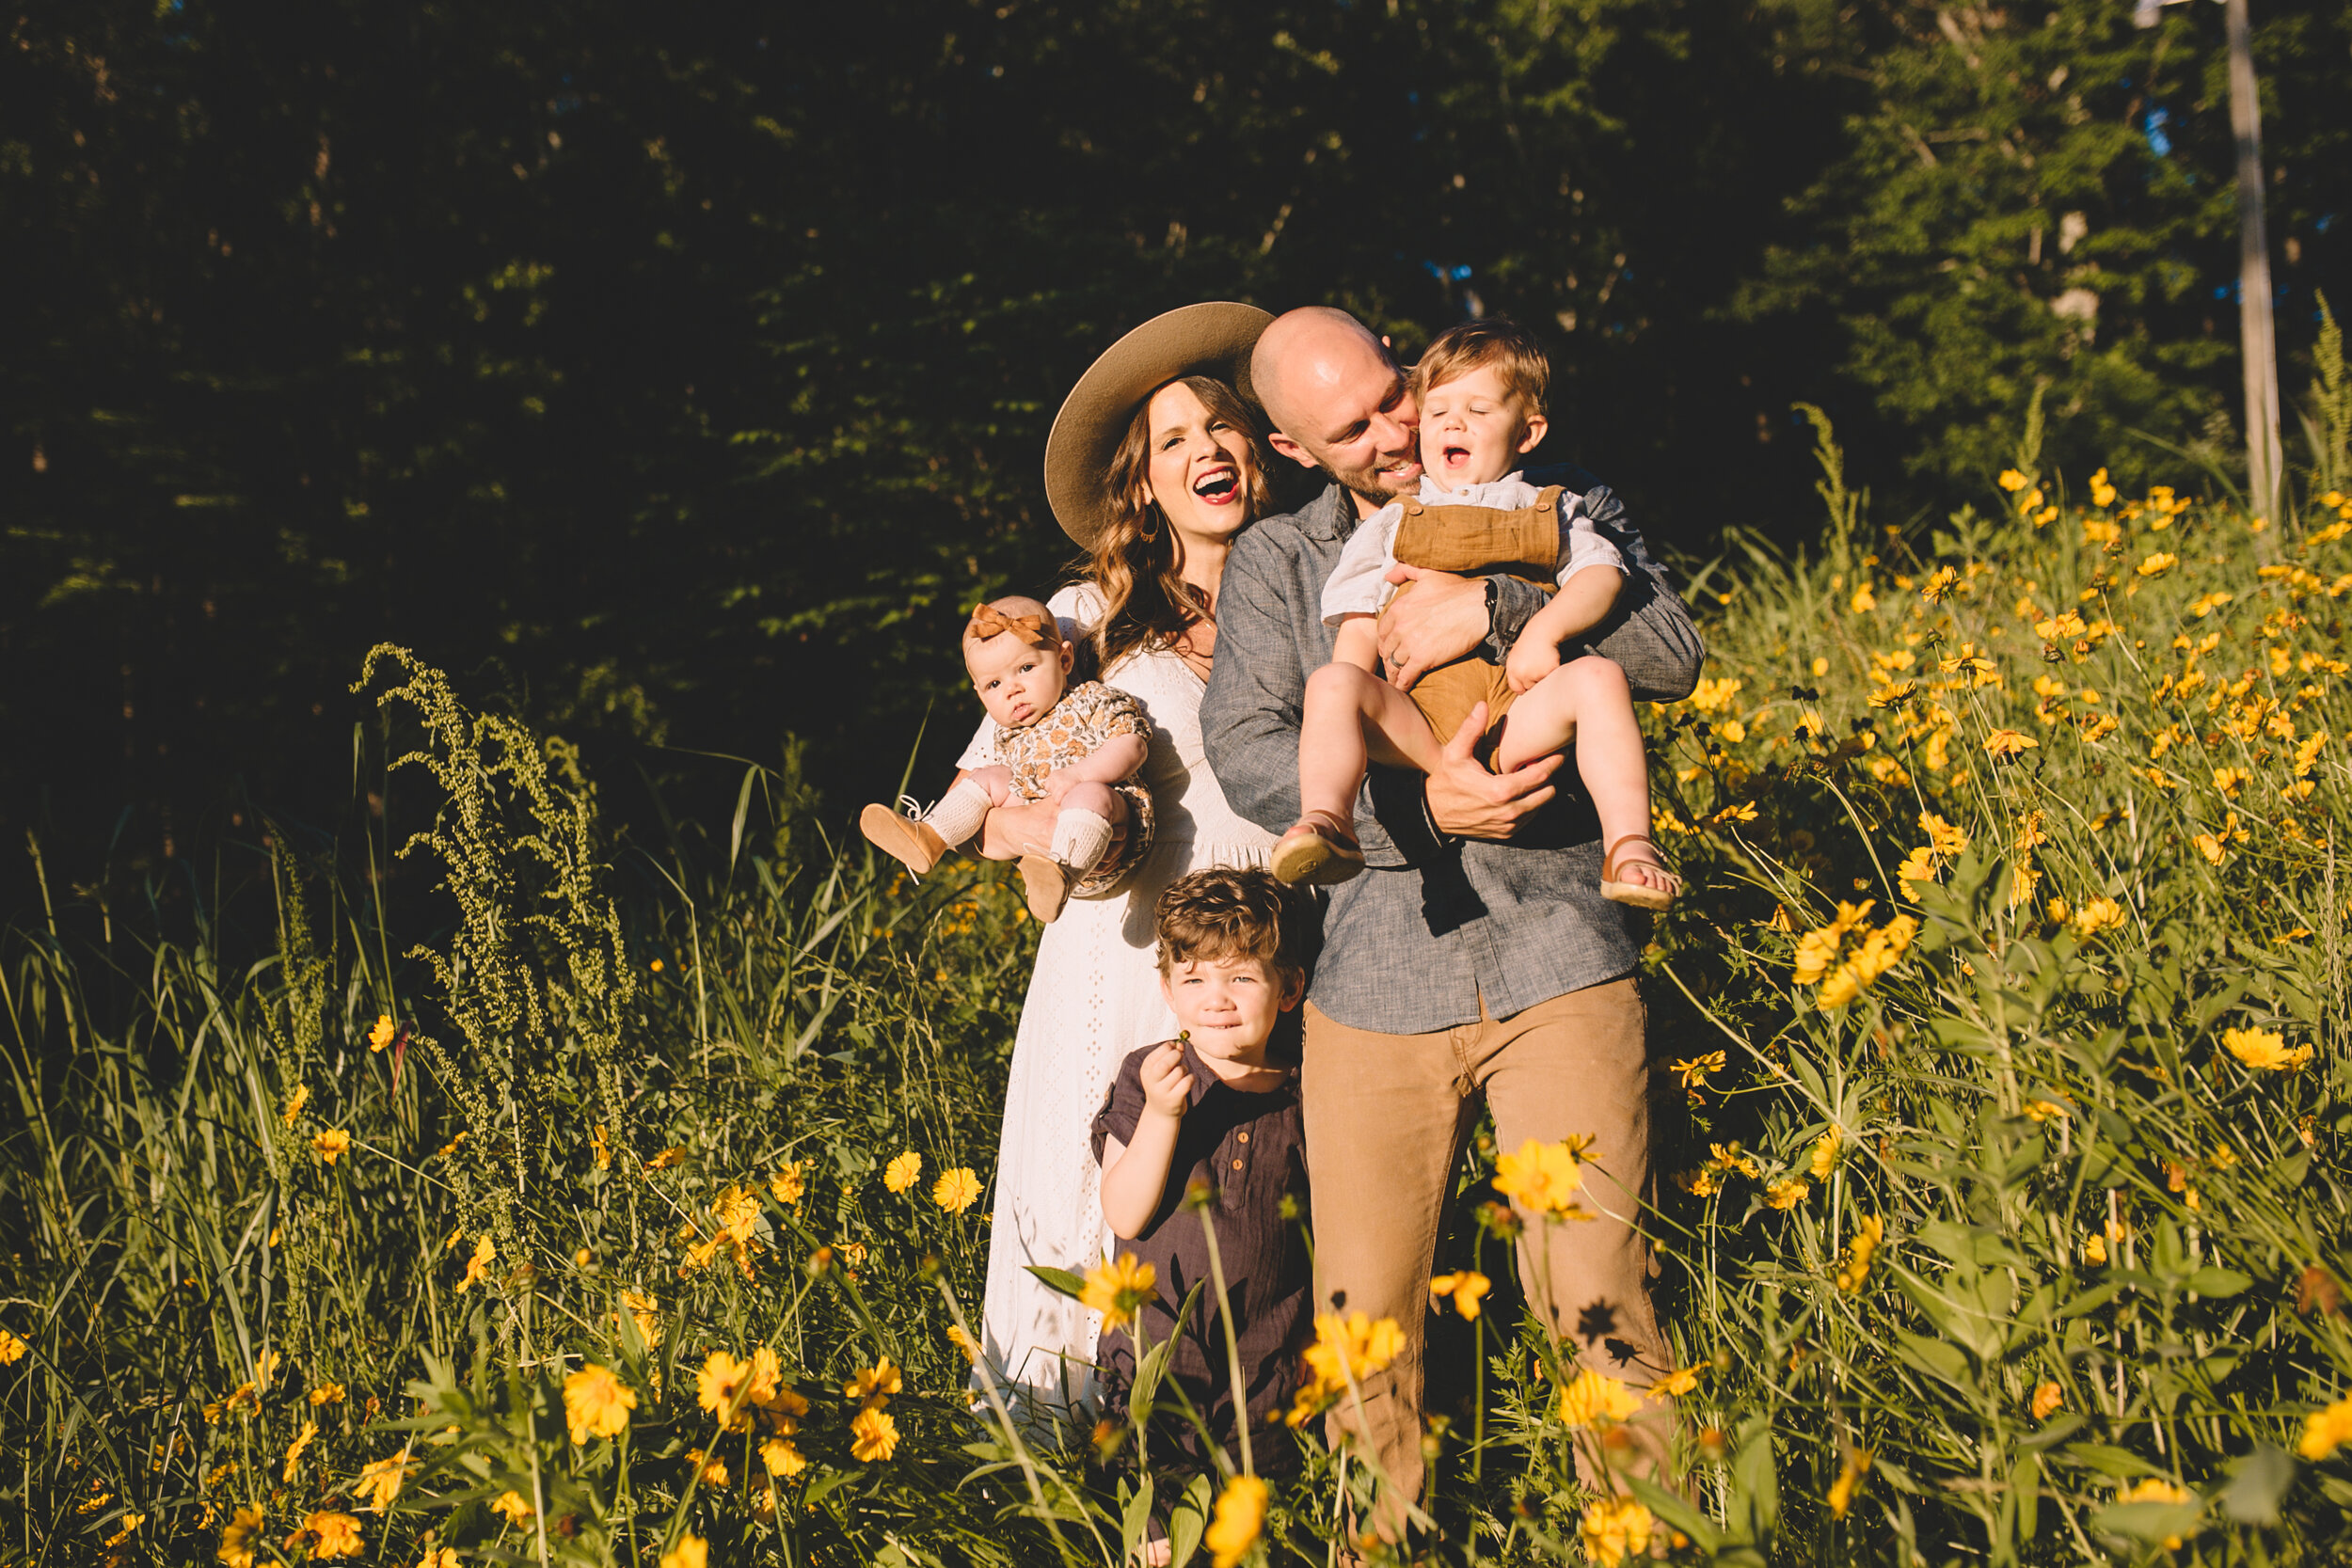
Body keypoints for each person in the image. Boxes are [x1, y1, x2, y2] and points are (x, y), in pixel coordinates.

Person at [1198, 305, 1706, 1515]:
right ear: (1290, 446)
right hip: (1379, 981)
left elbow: (1673, 650)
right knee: (1363, 1323)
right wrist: (1432, 808)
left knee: (1601, 1291)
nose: (1395, 430)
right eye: (1352, 427)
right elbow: (1249, 750)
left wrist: (1495, 614)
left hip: (1560, 954)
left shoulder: (1545, 492)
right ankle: (1378, 1540)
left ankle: (1641, 1540)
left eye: (1394, 394)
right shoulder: (1279, 559)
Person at [963, 304, 1281, 1419]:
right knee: (1100, 1194)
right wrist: (1052, 831)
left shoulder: (1307, 597)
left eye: (1223, 426)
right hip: (1119, 952)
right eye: (1174, 439)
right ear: (1143, 481)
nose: (1206, 450)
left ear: (1259, 448)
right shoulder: (1085, 617)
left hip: (1258, 964)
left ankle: (1226, 1448)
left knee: (1237, 1215)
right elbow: (986, 796)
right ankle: (1066, 1450)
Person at [1269, 317, 1679, 913]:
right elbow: (1358, 621)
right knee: (1332, 682)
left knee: (1600, 679)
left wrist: (1537, 624)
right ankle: (1329, 821)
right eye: (1438, 413)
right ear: (1297, 449)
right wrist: (1355, 696)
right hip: (1422, 725)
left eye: (1478, 412)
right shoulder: (1391, 522)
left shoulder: (1556, 503)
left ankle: (1631, 846)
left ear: (1528, 434)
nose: (1451, 425)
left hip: (1520, 717)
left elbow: (1602, 578)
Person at [1090, 869, 1313, 1542]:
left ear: (1290, 988)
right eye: (1194, 980)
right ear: (1167, 990)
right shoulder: (1148, 1073)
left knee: (1259, 1536)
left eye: (1241, 978)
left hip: (1269, 1368)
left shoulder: (1309, 1092)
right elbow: (1125, 1213)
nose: (1216, 998)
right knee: (1158, 1540)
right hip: (1157, 1362)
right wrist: (1163, 1112)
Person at [859, 595, 1153, 923]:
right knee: (991, 776)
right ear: (979, 693)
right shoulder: (1007, 734)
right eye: (994, 684)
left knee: (1090, 794)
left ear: (1064, 660)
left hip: (1105, 835)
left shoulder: (1091, 700)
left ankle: (1062, 872)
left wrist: (1080, 775)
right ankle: (930, 837)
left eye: (1026, 668)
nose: (1012, 690)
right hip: (1038, 837)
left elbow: (1132, 745)